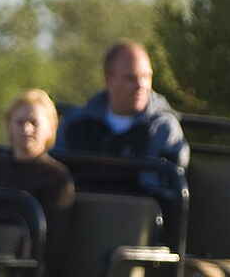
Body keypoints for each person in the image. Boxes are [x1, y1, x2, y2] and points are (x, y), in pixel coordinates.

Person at [56, 41, 189, 206]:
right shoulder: (76, 124)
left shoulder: (163, 128)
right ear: (109, 79)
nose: (141, 85)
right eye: (131, 78)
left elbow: (159, 193)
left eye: (146, 77)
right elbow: (57, 180)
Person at [0, 89, 75, 277]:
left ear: (51, 128)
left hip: (29, 271)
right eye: (20, 122)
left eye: (34, 123)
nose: (26, 129)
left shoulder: (57, 178)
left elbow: (55, 243)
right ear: (9, 126)